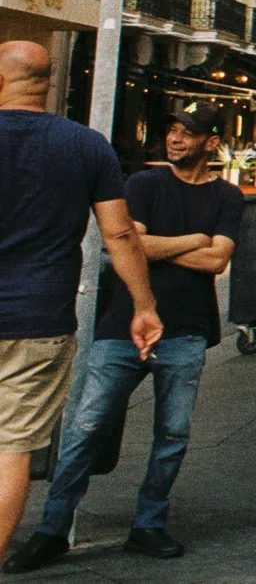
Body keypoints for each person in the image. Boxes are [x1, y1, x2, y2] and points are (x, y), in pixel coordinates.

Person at [9, 105, 242, 570]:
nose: (175, 139)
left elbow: (217, 261)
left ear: (211, 143)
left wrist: (157, 245)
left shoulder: (228, 196)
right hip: (121, 325)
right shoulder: (143, 184)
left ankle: (148, 524)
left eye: (188, 133)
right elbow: (125, 249)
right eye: (172, 130)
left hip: (187, 330)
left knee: (172, 433)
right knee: (85, 426)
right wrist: (194, 239)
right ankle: (52, 529)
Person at [0, 42, 161, 564]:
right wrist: (144, 305)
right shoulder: (86, 146)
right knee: (12, 449)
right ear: (47, 83)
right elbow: (120, 236)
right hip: (38, 319)